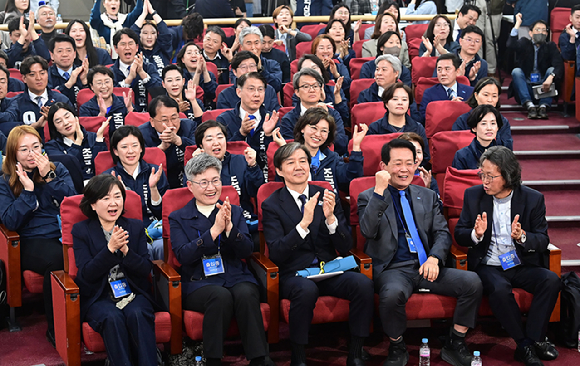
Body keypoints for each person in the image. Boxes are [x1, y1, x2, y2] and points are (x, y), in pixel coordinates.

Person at [358, 139, 483, 366]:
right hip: (393, 268)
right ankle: (397, 347)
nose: (404, 169)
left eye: (410, 163)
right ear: (383, 166)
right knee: (392, 294)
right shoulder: (369, 196)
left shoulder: (426, 195)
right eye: (397, 164)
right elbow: (367, 231)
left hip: (427, 265)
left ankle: (455, 342)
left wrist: (435, 258)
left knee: (472, 282)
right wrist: (379, 192)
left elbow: (442, 233)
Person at [262, 142, 374, 366]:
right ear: (280, 171)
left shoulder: (326, 195)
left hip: (328, 268)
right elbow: (276, 253)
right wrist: (303, 224)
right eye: (291, 163)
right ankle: (299, 356)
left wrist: (331, 220)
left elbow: (344, 247)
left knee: (362, 283)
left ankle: (356, 352)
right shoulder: (272, 205)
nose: (299, 167)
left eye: (303, 161)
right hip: (295, 274)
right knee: (306, 289)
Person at [454, 146, 560, 366]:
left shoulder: (533, 199)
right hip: (489, 264)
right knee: (500, 289)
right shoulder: (473, 195)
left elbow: (543, 240)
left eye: (490, 176)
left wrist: (522, 237)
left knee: (551, 281)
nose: (484, 180)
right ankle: (525, 345)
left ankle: (533, 338)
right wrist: (476, 234)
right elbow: (459, 235)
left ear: (508, 175)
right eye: (481, 174)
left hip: (520, 263)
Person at [169, 153, 270, 366]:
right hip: (199, 282)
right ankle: (213, 359)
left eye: (215, 181)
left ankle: (260, 359)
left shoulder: (234, 211)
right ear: (190, 186)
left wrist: (230, 229)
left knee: (246, 293)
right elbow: (183, 256)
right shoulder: (178, 217)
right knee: (219, 296)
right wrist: (214, 231)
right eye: (203, 182)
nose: (211, 187)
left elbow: (246, 251)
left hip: (235, 275)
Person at [0, 125, 75, 346]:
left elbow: (72, 201)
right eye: (24, 149)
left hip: (63, 234)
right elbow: (10, 221)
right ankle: (57, 329)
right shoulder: (4, 181)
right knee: (58, 259)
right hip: (30, 241)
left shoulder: (57, 169)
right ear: (13, 153)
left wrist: (49, 178)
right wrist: (28, 192)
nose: (32, 154)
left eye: (36, 147)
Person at [73, 174, 159, 366]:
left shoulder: (135, 227)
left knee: (137, 313)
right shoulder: (81, 231)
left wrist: (127, 252)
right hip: (99, 296)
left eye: (117, 196)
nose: (113, 203)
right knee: (111, 317)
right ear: (93, 204)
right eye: (106, 198)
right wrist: (109, 249)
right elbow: (86, 274)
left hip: (132, 292)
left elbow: (146, 268)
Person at [192, 120, 265, 240]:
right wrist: (195, 169)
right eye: (209, 139)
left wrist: (253, 167)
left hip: (243, 220)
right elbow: (190, 196)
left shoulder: (241, 161)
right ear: (201, 145)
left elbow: (255, 191)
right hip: (208, 224)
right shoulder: (195, 167)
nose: (216, 143)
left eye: (220, 137)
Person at [104, 125, 169, 260]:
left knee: (160, 246)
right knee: (141, 248)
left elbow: (163, 212)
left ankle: (163, 281)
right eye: (124, 147)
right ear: (115, 151)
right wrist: (121, 196)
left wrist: (153, 188)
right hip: (123, 231)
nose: (130, 151)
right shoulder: (108, 178)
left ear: (141, 148)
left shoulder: (155, 172)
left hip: (154, 229)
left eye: (135, 145)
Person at [285, 108, 367, 193]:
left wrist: (356, 147)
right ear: (302, 128)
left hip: (330, 204)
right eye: (314, 128)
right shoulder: (289, 157)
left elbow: (351, 179)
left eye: (324, 131)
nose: (317, 134)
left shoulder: (332, 158)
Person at [216, 72, 278, 175]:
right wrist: (241, 133)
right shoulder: (224, 119)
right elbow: (222, 154)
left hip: (266, 175)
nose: (256, 94)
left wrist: (268, 136)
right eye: (251, 89)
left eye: (260, 89)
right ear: (239, 92)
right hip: (235, 177)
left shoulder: (272, 119)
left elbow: (277, 157)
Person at [280, 68, 348, 156]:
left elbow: (342, 145)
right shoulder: (288, 119)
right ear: (297, 92)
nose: (312, 90)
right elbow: (290, 150)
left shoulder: (332, 114)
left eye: (315, 86)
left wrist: (327, 120)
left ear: (321, 89)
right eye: (306, 86)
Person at [507, 14, 563, 120]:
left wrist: (551, 77)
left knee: (552, 70)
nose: (541, 33)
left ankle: (543, 107)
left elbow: (558, 65)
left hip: (544, 86)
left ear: (547, 33)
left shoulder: (550, 46)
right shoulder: (524, 43)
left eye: (543, 30)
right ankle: (529, 106)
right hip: (526, 86)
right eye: (537, 30)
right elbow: (511, 45)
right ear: (530, 33)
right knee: (516, 71)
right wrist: (518, 24)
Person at [139, 96, 197, 189]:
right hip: (157, 186)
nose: (170, 125)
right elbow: (139, 164)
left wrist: (179, 141)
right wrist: (161, 149)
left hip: (189, 183)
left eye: (174, 118)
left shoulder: (189, 126)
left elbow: (199, 152)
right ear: (152, 121)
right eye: (164, 120)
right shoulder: (141, 134)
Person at [44, 102, 109, 183]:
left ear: (75, 117)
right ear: (55, 127)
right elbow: (68, 167)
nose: (65, 123)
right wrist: (78, 143)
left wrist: (99, 140)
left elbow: (102, 166)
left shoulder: (92, 137)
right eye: (58, 121)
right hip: (74, 189)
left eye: (67, 117)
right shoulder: (51, 147)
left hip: (98, 185)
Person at [12, 55, 72, 141]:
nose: (39, 78)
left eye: (42, 73)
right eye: (32, 74)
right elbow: (11, 135)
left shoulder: (61, 100)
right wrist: (36, 126)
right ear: (24, 78)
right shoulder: (16, 103)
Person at [368, 82, 430, 163]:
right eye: (395, 99)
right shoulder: (375, 128)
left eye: (404, 99)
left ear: (409, 104)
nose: (400, 103)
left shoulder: (418, 128)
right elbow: (372, 157)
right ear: (386, 103)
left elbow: (425, 157)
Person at [110, 28, 163, 113]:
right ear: (116, 49)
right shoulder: (110, 72)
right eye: (123, 44)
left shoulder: (149, 67)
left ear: (137, 47)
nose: (127, 48)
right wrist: (129, 79)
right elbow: (111, 97)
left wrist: (142, 73)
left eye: (131, 44)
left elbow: (160, 92)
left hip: (146, 117)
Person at [452, 77, 513, 149]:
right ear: (476, 96)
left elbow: (507, 149)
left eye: (494, 96)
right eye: (486, 95)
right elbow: (456, 147)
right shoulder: (462, 120)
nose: (490, 100)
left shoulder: (503, 121)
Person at [80, 65, 133, 138]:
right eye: (99, 83)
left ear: (112, 83)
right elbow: (87, 136)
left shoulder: (124, 102)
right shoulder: (86, 108)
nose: (104, 86)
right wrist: (101, 116)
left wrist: (130, 111)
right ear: (92, 86)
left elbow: (135, 131)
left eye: (107, 82)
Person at [420, 54, 474, 123]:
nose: (443, 73)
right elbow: (424, 117)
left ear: (457, 71)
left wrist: (461, 108)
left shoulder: (470, 91)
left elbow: (476, 114)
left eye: (447, 69)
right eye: (439, 70)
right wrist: (448, 108)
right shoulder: (429, 93)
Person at [296, 54, 349, 123]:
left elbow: (345, 120)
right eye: (306, 70)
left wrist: (337, 96)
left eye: (314, 68)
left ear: (321, 69)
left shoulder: (334, 89)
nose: (311, 72)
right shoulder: (300, 93)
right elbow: (298, 119)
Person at [397, 132, 441, 211]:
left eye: (418, 152)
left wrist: (426, 190)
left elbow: (438, 209)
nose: (416, 157)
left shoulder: (427, 178)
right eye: (410, 152)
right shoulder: (393, 178)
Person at [452, 104, 504, 170]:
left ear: (497, 127)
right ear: (474, 128)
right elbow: (457, 179)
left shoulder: (504, 155)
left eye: (493, 123)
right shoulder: (462, 155)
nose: (489, 128)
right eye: (483, 123)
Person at [130, 0, 173, 78]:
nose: (149, 37)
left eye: (153, 33)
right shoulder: (136, 51)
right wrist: (143, 14)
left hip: (162, 88)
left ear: (157, 35)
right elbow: (131, 35)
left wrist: (153, 12)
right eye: (145, 33)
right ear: (140, 35)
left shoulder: (164, 51)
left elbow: (165, 34)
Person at [233, 26, 283, 93]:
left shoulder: (272, 64)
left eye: (256, 43)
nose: (253, 47)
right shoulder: (237, 66)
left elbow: (277, 87)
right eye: (249, 43)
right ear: (241, 47)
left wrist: (260, 69)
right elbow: (235, 87)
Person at [47, 34, 89, 107]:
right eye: (60, 51)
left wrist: (85, 82)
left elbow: (93, 102)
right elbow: (50, 102)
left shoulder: (85, 72)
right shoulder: (46, 75)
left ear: (75, 54)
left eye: (68, 51)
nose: (65, 54)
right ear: (52, 55)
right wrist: (68, 84)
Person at [176, 41, 218, 108]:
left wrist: (204, 71)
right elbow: (190, 95)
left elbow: (213, 94)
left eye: (197, 52)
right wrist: (197, 73)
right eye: (189, 53)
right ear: (183, 59)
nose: (193, 55)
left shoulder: (209, 74)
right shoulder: (179, 76)